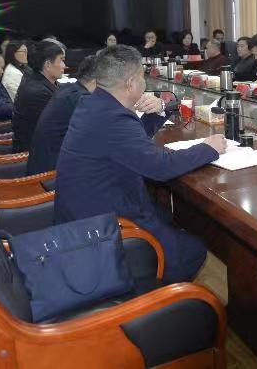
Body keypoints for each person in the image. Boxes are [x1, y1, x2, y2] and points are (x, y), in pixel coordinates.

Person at [53, 45, 227, 283]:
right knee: (192, 250)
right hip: (103, 232)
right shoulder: (113, 117)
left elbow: (126, 146)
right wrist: (209, 148)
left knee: (166, 215)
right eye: (142, 76)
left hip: (85, 216)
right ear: (131, 83)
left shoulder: (93, 103)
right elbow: (161, 167)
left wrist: (157, 112)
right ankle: (156, 297)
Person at [26, 56, 97, 176]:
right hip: (50, 177)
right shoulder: (82, 99)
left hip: (44, 166)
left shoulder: (70, 90)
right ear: (98, 80)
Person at [12, 41, 65, 153]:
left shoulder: (37, 79)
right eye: (61, 60)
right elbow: (61, 128)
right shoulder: (39, 93)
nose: (64, 65)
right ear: (48, 65)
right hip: (35, 154)